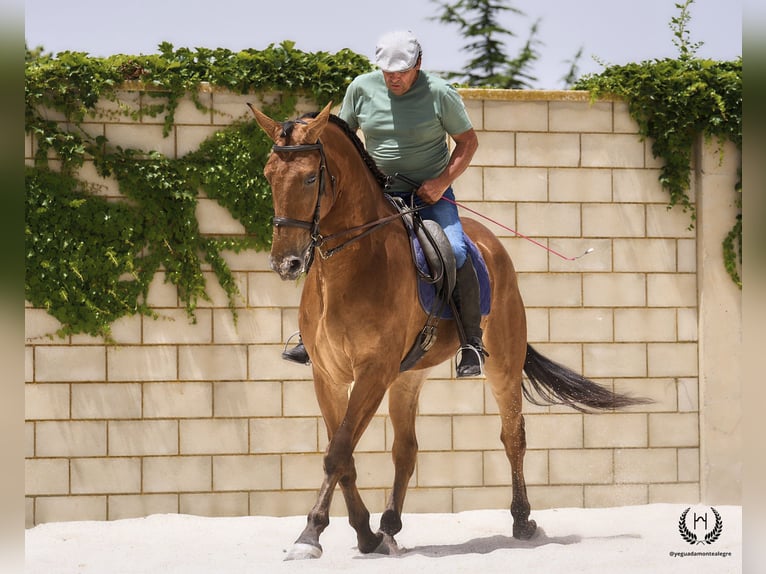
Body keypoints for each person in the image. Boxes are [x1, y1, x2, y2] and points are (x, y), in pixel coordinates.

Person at [282, 29, 486, 378]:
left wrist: (441, 183)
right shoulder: (361, 88)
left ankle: (471, 342)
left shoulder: (440, 94)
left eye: (402, 71)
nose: (394, 78)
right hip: (379, 194)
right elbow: (341, 142)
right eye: (388, 71)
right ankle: (308, 335)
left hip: (428, 196)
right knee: (325, 243)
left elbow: (468, 143)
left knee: (455, 250)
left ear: (418, 64)